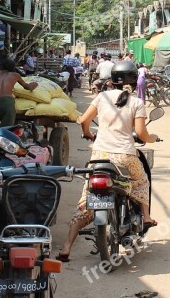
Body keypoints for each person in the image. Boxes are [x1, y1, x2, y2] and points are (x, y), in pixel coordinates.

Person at [56, 60, 160, 262]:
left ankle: (67, 246)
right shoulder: (137, 102)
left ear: (112, 80)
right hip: (125, 157)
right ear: (133, 79)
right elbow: (140, 133)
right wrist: (152, 138)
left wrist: (88, 134)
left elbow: (84, 121)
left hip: (100, 156)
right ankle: (146, 217)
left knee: (86, 199)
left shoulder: (101, 97)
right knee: (141, 181)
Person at [0, 58, 38, 126]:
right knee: (8, 127)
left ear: (2, 66)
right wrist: (35, 84)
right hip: (7, 102)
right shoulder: (15, 75)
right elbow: (27, 87)